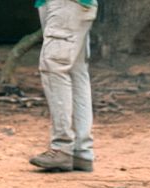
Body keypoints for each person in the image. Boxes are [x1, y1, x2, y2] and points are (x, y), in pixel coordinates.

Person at [29, 0, 98, 172]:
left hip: (66, 5)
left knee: (54, 65)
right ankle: (80, 151)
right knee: (75, 71)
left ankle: (62, 147)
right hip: (68, 6)